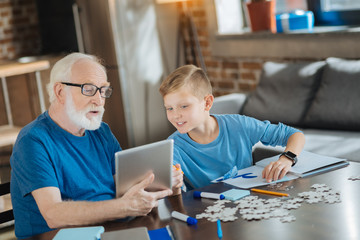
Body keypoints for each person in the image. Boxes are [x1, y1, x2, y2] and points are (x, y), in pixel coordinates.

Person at [10, 52, 183, 239]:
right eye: (89, 89)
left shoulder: (101, 132)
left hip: (111, 230)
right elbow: (53, 214)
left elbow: (125, 188)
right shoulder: (33, 140)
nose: (99, 100)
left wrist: (161, 185)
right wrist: (125, 207)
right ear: (60, 92)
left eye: (103, 90)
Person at [159, 64, 305, 189]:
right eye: (169, 108)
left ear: (207, 103)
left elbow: (295, 134)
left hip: (249, 207)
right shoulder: (171, 149)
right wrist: (173, 184)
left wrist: (287, 158)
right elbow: (171, 192)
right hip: (206, 215)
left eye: (184, 106)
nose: (175, 115)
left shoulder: (238, 125)